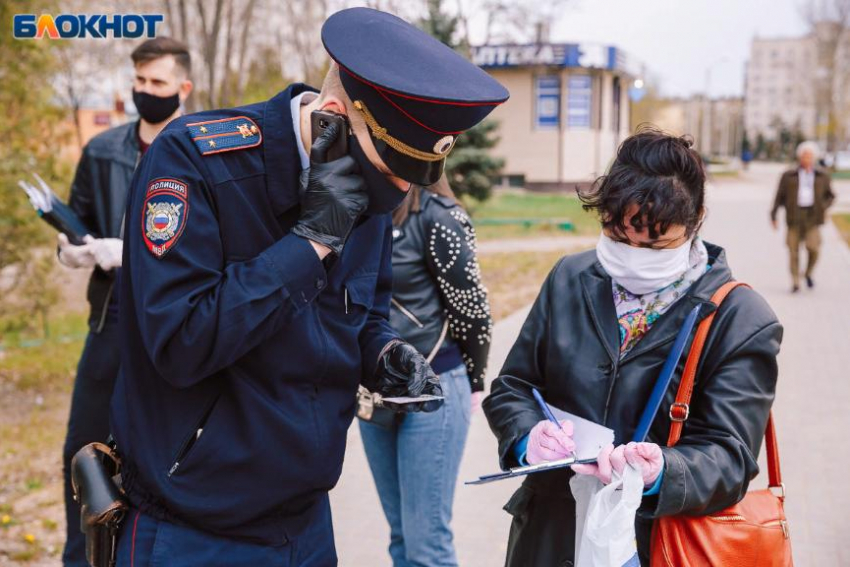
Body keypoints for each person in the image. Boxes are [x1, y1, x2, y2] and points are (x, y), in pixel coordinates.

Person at [109, 7, 508, 566]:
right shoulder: (197, 161)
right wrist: (311, 243)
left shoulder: (365, 180)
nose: (396, 191)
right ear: (332, 121)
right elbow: (180, 341)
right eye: (391, 168)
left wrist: (384, 352)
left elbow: (361, 310)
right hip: (195, 521)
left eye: (412, 176)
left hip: (305, 520)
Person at [483, 128, 782, 566]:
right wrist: (528, 437)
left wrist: (661, 470)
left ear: (696, 219)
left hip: (654, 543)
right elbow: (513, 385)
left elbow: (730, 457)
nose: (633, 254)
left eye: (656, 243)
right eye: (619, 237)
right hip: (553, 535)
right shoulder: (570, 276)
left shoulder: (741, 317)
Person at [57, 36, 193, 567]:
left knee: (160, 453)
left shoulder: (204, 148)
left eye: (156, 83)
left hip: (177, 324)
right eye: (138, 81)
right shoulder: (102, 151)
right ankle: (80, 558)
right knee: (83, 450)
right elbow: (76, 225)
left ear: (183, 88)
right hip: (111, 319)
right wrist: (72, 252)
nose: (145, 92)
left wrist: (130, 252)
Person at [359, 175, 492, 567]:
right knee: (401, 537)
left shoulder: (440, 218)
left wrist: (476, 381)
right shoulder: (360, 209)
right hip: (374, 393)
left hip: (434, 388)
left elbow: (472, 313)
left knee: (426, 545)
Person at [771, 140, 835, 292]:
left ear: (814, 158)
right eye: (804, 155)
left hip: (813, 218)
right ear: (800, 157)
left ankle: (807, 273)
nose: (807, 158)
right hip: (794, 216)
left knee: (814, 248)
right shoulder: (788, 175)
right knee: (793, 250)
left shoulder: (822, 176)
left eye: (810, 156)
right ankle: (795, 281)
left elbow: (831, 196)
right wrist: (773, 215)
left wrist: (823, 207)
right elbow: (779, 196)